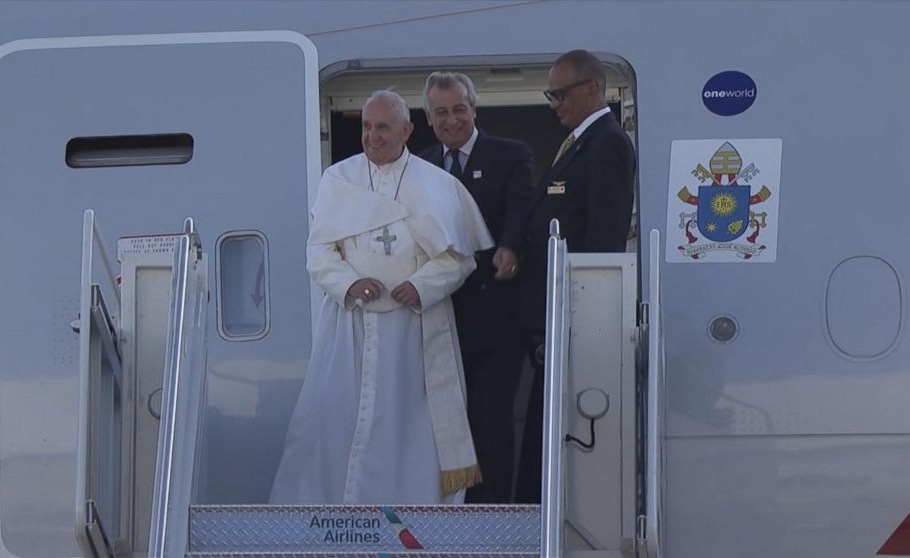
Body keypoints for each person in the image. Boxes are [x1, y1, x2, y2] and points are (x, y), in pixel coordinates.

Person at [270, 90, 494, 504]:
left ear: (406, 130)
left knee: (408, 427)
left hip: (414, 331)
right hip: (350, 325)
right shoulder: (338, 179)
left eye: (383, 127)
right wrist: (349, 283)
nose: (372, 136)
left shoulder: (437, 184)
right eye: (366, 127)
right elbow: (318, 252)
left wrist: (422, 285)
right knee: (331, 418)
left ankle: (413, 519)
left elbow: (459, 259)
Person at [515, 50, 636, 503]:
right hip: (554, 317)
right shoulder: (580, 143)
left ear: (592, 88)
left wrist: (574, 318)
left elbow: (603, 238)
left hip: (573, 319)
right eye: (551, 94)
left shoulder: (606, 143)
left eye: (560, 93)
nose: (554, 103)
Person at [418, 71, 534, 503]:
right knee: (443, 424)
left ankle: (493, 516)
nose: (452, 120)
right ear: (429, 118)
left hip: (496, 323)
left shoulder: (509, 155)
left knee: (489, 423)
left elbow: (523, 212)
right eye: (442, 112)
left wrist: (509, 248)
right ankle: (447, 514)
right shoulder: (419, 165)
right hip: (438, 322)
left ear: (474, 108)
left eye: (459, 109)